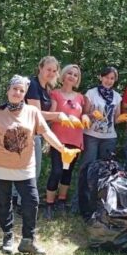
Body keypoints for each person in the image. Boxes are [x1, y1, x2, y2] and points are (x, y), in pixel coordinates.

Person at [0, 75, 80, 255]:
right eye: (15, 89)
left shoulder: (32, 112)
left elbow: (47, 133)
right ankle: (7, 237)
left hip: (25, 167)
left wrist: (62, 149)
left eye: (21, 90)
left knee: (32, 201)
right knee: (4, 202)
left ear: (25, 94)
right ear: (8, 90)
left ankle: (27, 241)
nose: (17, 93)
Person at [43, 64, 89, 219]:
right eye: (69, 73)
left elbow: (85, 115)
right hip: (58, 140)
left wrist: (85, 117)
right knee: (56, 171)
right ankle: (49, 204)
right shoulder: (55, 94)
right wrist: (65, 117)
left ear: (78, 79)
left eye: (75, 75)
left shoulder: (80, 97)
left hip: (75, 140)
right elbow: (51, 116)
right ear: (63, 75)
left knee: (67, 171)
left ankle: (61, 201)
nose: (72, 76)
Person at [77, 66, 122, 218]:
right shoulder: (91, 93)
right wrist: (91, 115)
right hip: (91, 136)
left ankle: (102, 204)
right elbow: (84, 114)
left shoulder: (117, 97)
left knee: (106, 170)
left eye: (112, 78)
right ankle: (81, 204)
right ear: (101, 77)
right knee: (86, 167)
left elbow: (117, 118)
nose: (109, 81)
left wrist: (126, 116)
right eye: (106, 77)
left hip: (109, 137)